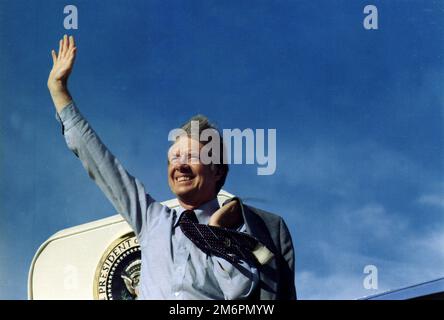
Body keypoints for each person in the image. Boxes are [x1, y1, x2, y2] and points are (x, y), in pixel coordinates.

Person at [47, 35, 296, 300]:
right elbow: (103, 165)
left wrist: (216, 232)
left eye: (190, 156)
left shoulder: (241, 230)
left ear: (218, 170)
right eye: (174, 157)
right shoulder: (153, 221)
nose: (180, 165)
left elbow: (239, 291)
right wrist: (59, 91)